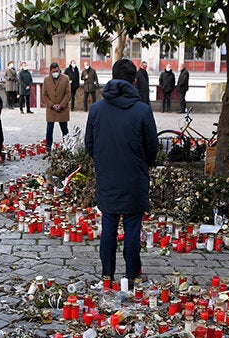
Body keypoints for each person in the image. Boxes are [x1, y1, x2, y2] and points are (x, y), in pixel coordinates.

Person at [85, 58, 158, 292]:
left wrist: (104, 161)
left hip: (107, 177)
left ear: (112, 78)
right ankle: (130, 277)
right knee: (132, 229)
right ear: (134, 81)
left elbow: (89, 145)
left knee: (108, 227)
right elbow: (152, 148)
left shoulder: (96, 109)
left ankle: (107, 275)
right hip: (134, 178)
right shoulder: (143, 110)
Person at [42, 62, 70, 149]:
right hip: (51, 110)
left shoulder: (65, 78)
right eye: (53, 71)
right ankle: (48, 147)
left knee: (64, 129)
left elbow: (68, 93)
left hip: (63, 109)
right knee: (49, 129)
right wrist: (51, 105)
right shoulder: (46, 80)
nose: (55, 73)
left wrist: (61, 105)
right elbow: (44, 95)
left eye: (57, 71)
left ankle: (67, 146)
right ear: (50, 71)